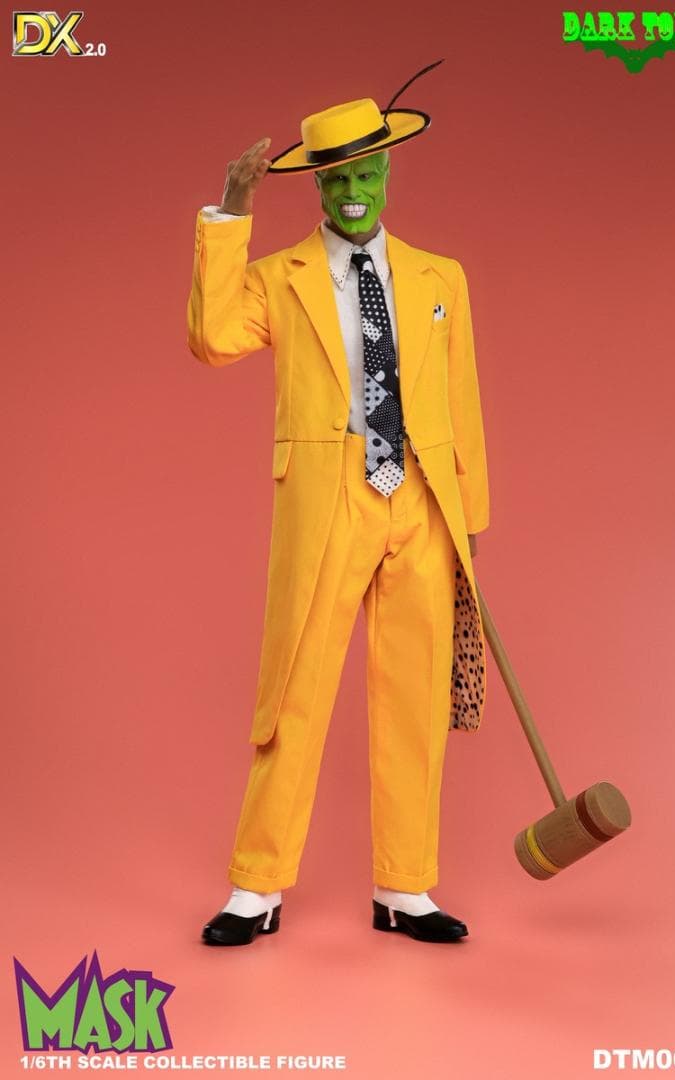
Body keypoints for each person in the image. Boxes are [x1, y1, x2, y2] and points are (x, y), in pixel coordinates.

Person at [187, 66, 490, 946]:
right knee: (295, 691)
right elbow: (210, 338)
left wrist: (470, 518)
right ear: (316, 186)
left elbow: (462, 400)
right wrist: (231, 213)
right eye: (337, 178)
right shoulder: (280, 280)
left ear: (388, 175)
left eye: (367, 173)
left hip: (422, 502)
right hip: (330, 498)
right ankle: (256, 887)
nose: (354, 191)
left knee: (415, 699)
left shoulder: (440, 277)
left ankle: (406, 888)